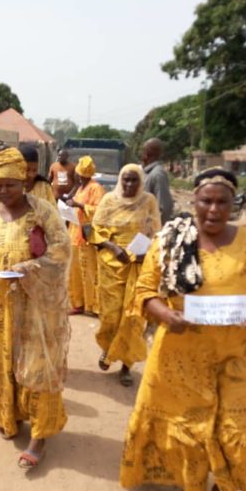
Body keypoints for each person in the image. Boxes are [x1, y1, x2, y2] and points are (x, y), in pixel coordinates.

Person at [120, 167, 246, 491]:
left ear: (234, 204)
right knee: (189, 430)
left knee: (240, 431)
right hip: (181, 353)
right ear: (194, 202)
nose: (213, 210)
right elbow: (143, 291)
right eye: (206, 201)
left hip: (240, 355)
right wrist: (165, 314)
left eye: (222, 202)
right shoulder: (171, 240)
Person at [0, 147, 71, 470]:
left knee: (38, 367)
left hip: (36, 305)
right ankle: (9, 415)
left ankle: (40, 435)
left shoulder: (42, 211)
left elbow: (61, 250)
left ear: (23, 182)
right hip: (0, 302)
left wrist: (30, 268)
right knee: (3, 361)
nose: (3, 191)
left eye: (10, 185)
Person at [90, 164, 160, 386]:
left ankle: (126, 365)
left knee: (133, 317)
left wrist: (147, 252)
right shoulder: (110, 200)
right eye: (126, 180)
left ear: (141, 183)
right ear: (121, 180)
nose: (129, 185)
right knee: (110, 315)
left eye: (134, 181)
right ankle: (108, 350)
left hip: (139, 266)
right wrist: (113, 247)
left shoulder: (148, 201)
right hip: (113, 264)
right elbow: (95, 229)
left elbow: (156, 232)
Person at [66, 155, 106, 315]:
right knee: (74, 273)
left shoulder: (96, 188)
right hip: (74, 234)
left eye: (80, 174)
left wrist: (80, 205)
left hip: (87, 236)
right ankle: (78, 303)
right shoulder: (81, 187)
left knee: (89, 273)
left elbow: (100, 211)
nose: (78, 177)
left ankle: (92, 305)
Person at [0, 144, 55, 215]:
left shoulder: (44, 187)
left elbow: (54, 215)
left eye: (34, 170)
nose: (31, 175)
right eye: (27, 170)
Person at [141, 138, 174, 224]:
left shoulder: (157, 174)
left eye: (143, 151)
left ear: (146, 154)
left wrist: (155, 232)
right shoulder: (150, 173)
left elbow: (164, 208)